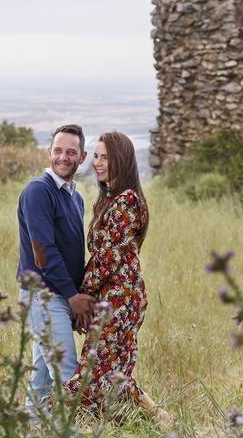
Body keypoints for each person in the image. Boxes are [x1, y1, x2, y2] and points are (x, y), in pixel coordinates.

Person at [63, 131, 171, 427]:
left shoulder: (125, 202)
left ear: (121, 160)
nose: (98, 163)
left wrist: (79, 298)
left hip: (120, 301)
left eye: (106, 157)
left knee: (91, 374)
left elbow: (108, 259)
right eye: (96, 156)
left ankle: (45, 420)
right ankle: (162, 422)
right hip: (115, 298)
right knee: (114, 375)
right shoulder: (109, 199)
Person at [17, 124, 97, 410]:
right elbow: (43, 251)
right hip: (42, 296)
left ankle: (30, 427)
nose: (63, 157)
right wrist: (71, 297)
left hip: (59, 297)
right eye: (58, 151)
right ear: (49, 153)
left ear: (82, 156)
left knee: (40, 380)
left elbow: (72, 254)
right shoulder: (39, 191)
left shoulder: (75, 197)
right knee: (67, 376)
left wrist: (73, 297)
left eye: (71, 152)